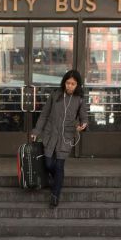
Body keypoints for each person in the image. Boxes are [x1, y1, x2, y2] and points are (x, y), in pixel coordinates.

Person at [30, 69, 88, 208]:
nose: (69, 86)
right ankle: (56, 180)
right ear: (64, 83)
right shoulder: (55, 95)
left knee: (60, 165)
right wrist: (36, 131)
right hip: (50, 134)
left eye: (73, 84)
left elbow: (84, 117)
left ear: (77, 85)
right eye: (68, 83)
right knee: (49, 164)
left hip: (66, 136)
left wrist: (83, 125)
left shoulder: (79, 99)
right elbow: (44, 115)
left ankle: (55, 195)